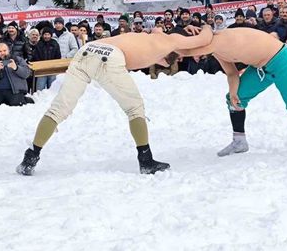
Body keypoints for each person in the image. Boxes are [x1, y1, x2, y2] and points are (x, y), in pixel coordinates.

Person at [16, 24, 215, 175]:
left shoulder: (154, 34)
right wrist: (203, 27)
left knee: (58, 109)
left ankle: (31, 157)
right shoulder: (171, 41)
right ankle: (145, 160)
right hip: (109, 57)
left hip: (87, 50)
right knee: (135, 109)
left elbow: (157, 32)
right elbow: (206, 38)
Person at [175, 28, 287, 160]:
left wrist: (175, 47)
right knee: (236, 98)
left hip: (283, 60)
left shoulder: (219, 39)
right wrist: (233, 93)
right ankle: (239, 141)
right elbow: (231, 73)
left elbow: (192, 48)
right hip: (261, 68)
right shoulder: (215, 49)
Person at [0, 42, 31, 106]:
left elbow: (27, 73)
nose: (2, 53)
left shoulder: (18, 60)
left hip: (15, 90)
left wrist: (16, 68)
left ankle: (23, 99)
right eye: (0, 51)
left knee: (16, 105)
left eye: (4, 50)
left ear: (8, 51)